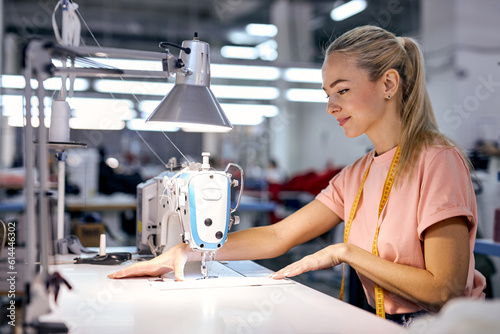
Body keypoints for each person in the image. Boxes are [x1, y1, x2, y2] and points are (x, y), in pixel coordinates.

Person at [108, 25, 486, 326]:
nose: (330, 106)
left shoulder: (438, 161)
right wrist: (190, 249)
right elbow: (278, 235)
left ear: (388, 84)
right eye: (326, 94)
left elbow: (445, 291)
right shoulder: (358, 173)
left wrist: (345, 252)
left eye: (342, 90)